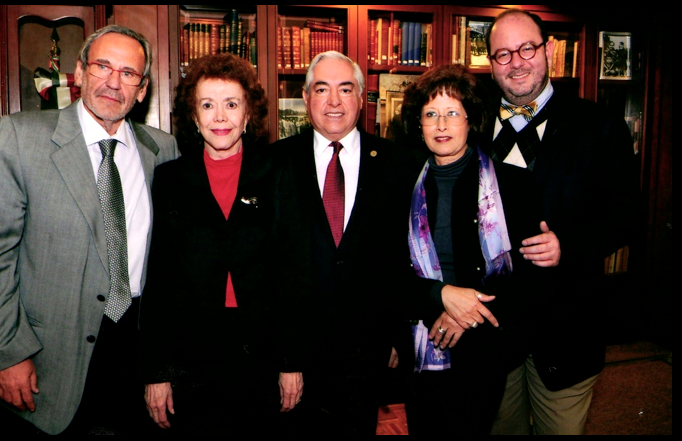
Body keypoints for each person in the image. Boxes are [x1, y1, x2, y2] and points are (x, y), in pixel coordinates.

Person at [0, 25, 180, 435]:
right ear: (80, 72)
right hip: (49, 357)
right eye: (103, 66)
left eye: (128, 73)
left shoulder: (163, 149)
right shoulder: (21, 137)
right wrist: (9, 353)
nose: (114, 82)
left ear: (142, 89)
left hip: (138, 352)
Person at [483, 9, 639, 435]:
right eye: (503, 54)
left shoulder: (599, 125)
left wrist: (566, 245)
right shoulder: (469, 123)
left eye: (526, 48)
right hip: (493, 330)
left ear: (548, 50)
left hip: (567, 329)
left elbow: (626, 213)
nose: (516, 62)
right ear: (490, 64)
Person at [270, 51, 418, 434]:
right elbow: (268, 267)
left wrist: (396, 336)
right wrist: (286, 357)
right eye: (322, 89)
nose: (334, 101)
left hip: (367, 354)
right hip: (297, 353)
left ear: (361, 97)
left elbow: (405, 258)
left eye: (346, 89)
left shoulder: (398, 164)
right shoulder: (274, 163)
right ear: (306, 98)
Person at [400, 63, 547, 435]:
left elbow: (527, 277)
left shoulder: (513, 185)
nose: (442, 125)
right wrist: (441, 296)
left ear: (471, 120)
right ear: (419, 124)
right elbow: (386, 269)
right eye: (431, 114)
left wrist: (465, 313)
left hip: (485, 347)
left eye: (452, 113)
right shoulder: (399, 186)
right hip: (421, 339)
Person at [139, 53, 280, 436]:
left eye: (231, 104)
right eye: (207, 105)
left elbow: (292, 274)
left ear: (248, 115)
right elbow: (160, 281)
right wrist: (158, 371)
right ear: (194, 116)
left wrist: (290, 363)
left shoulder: (276, 174)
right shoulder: (169, 180)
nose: (220, 117)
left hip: (260, 354)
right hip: (192, 358)